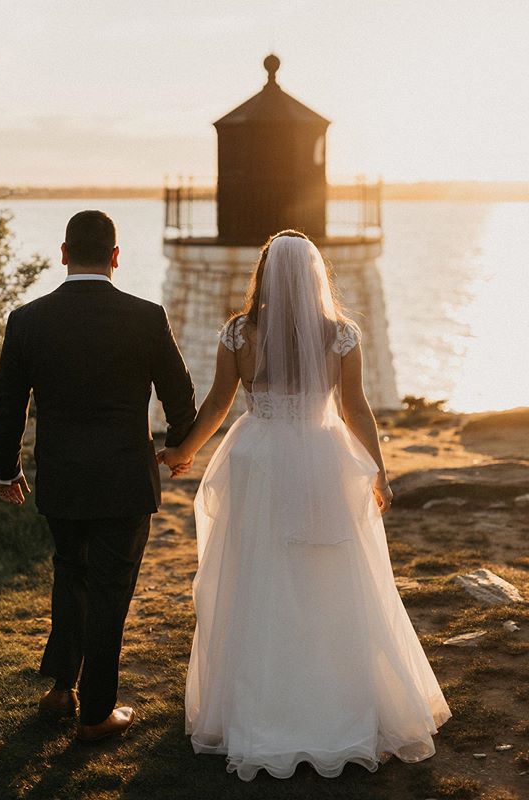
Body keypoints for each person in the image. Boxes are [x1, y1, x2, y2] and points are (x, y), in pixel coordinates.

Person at [158, 230, 451, 781]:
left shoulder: (239, 332)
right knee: (328, 576)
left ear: (264, 274)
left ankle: (262, 706)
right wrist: (378, 472)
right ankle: (334, 701)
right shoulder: (340, 335)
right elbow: (357, 408)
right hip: (322, 456)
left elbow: (220, 401)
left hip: (258, 458)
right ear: (316, 274)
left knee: (258, 574)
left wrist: (184, 453)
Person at [0, 210, 196, 743]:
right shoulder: (146, 317)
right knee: (110, 590)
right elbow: (180, 395)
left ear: (63, 254)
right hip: (125, 479)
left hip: (61, 478)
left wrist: (5, 468)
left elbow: (9, 404)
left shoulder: (27, 319)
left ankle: (63, 688)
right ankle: (96, 713)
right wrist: (177, 448)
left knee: (70, 574)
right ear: (115, 257)